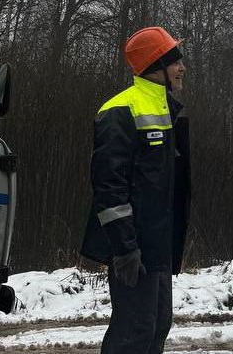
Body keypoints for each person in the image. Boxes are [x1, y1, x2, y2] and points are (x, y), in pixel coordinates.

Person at [81, 27, 191, 354]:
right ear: (156, 66)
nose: (182, 68)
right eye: (175, 62)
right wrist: (125, 248)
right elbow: (109, 188)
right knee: (134, 332)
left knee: (157, 325)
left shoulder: (166, 108)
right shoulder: (120, 110)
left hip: (158, 247)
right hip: (134, 248)